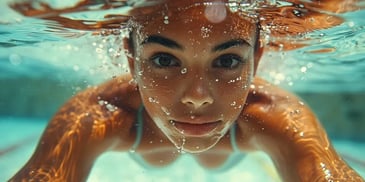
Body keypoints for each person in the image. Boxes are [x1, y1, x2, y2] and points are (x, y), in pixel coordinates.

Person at [9, 0, 364, 181]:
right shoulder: (99, 114)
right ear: (131, 61)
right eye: (164, 60)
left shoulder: (275, 116)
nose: (197, 95)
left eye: (227, 61)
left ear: (256, 59)